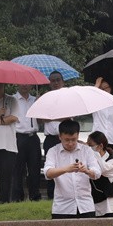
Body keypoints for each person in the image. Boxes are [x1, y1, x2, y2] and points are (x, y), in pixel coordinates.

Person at [43, 118, 102, 226]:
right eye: (67, 140)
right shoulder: (53, 151)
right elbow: (48, 173)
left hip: (85, 206)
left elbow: (97, 173)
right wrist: (66, 169)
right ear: (60, 137)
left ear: (78, 136)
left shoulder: (86, 150)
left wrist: (86, 170)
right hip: (62, 208)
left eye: (74, 140)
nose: (70, 143)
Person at [9, 84, 40, 202]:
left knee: (34, 168)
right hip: (18, 136)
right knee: (17, 169)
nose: (25, 86)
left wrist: (39, 104)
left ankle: (35, 195)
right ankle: (17, 197)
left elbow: (41, 118)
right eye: (22, 83)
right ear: (17, 83)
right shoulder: (12, 99)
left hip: (33, 137)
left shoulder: (35, 100)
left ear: (32, 85)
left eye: (27, 83)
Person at [86, 132, 113, 226]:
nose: (88, 148)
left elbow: (102, 170)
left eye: (90, 145)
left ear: (100, 146)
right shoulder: (88, 161)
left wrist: (94, 153)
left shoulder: (112, 161)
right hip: (93, 206)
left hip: (109, 207)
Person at [42, 71, 65, 199]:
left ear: (62, 81)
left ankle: (64, 194)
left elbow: (69, 117)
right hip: (50, 139)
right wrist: (58, 117)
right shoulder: (45, 98)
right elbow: (40, 118)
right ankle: (51, 195)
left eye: (58, 80)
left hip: (65, 139)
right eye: (53, 80)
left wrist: (51, 116)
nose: (55, 83)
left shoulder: (68, 96)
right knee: (51, 166)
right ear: (49, 83)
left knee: (65, 166)